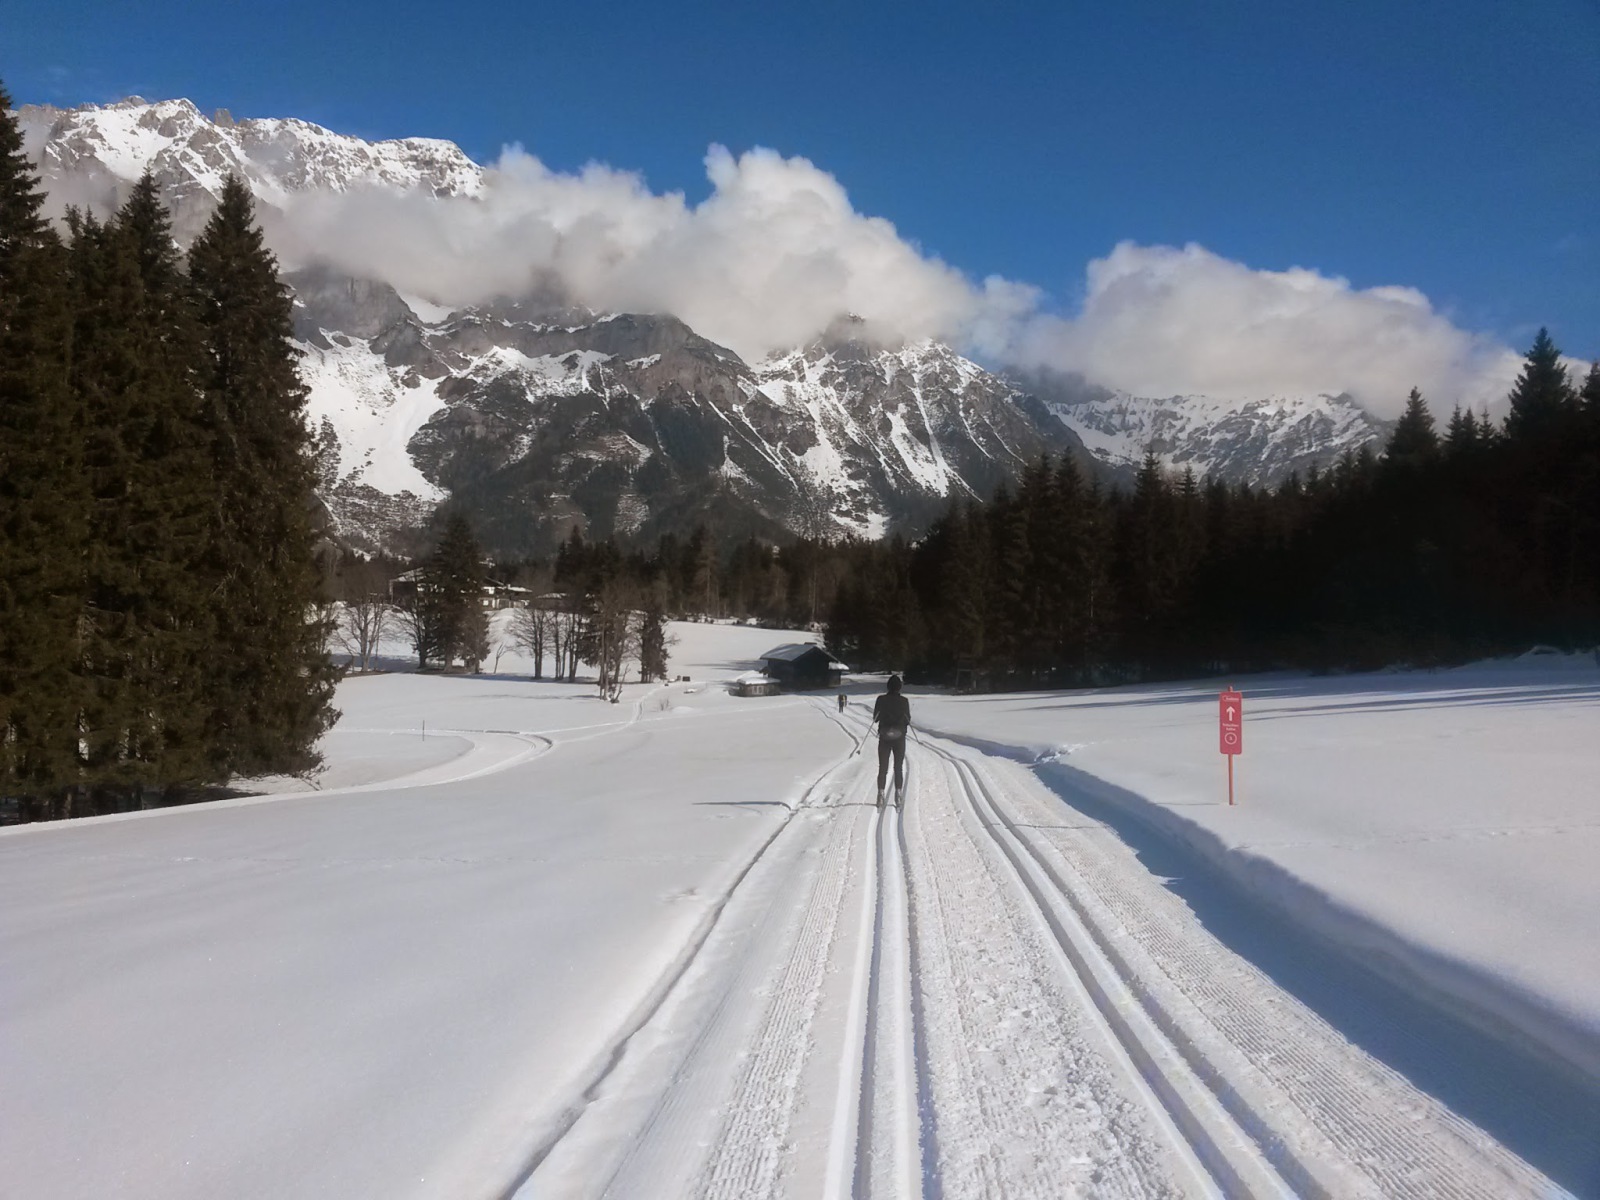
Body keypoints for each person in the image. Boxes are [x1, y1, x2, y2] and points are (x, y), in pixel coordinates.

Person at [872, 675, 911, 806]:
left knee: (883, 767)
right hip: (899, 737)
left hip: (884, 737)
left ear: (888, 686)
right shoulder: (904, 701)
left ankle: (880, 794)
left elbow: (875, 718)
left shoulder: (881, 699)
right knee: (898, 767)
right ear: (899, 687)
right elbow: (907, 720)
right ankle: (898, 795)